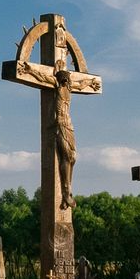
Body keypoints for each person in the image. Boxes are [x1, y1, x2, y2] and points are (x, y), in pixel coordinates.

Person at [52, 58, 77, 210]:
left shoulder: (69, 91)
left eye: (67, 79)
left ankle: (67, 191)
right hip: (60, 125)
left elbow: (82, 84)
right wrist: (29, 70)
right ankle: (66, 192)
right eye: (64, 79)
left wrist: (92, 82)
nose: (66, 81)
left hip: (69, 126)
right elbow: (41, 77)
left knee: (73, 158)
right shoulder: (56, 88)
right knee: (66, 157)